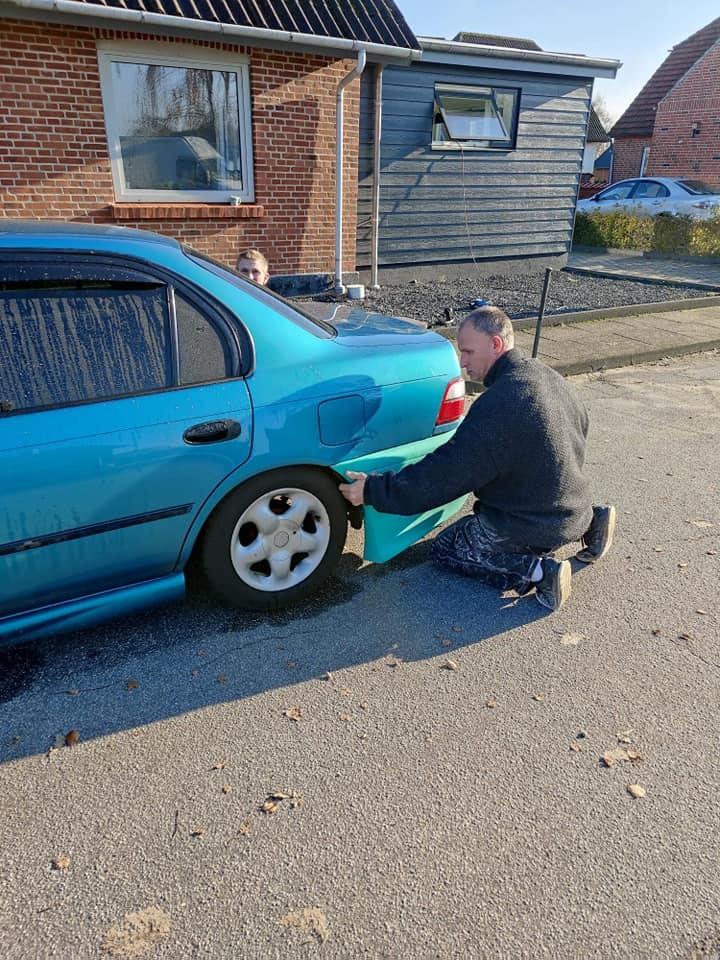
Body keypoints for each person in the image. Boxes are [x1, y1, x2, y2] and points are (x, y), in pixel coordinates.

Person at [339, 306, 615, 611]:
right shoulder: (548, 376)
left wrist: (373, 491)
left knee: (448, 547)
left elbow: (444, 476)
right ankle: (595, 521)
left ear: (495, 344)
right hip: (575, 506)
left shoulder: (501, 405)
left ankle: (540, 572)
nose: (462, 362)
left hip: (535, 524)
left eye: (468, 351)